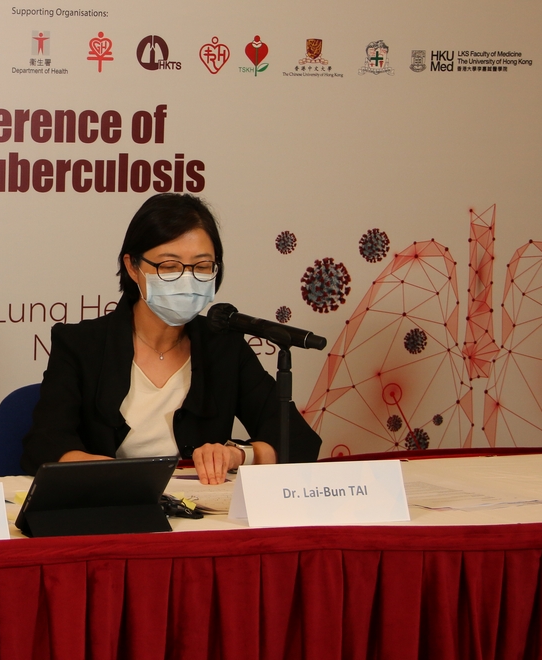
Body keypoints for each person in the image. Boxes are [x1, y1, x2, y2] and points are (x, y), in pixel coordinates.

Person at [20, 193, 321, 484]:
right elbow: (45, 445)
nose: (187, 279)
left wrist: (238, 455)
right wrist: (119, 479)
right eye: (169, 266)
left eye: (202, 266)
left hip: (199, 510)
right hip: (107, 503)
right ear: (132, 266)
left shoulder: (223, 346)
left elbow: (298, 440)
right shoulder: (80, 344)